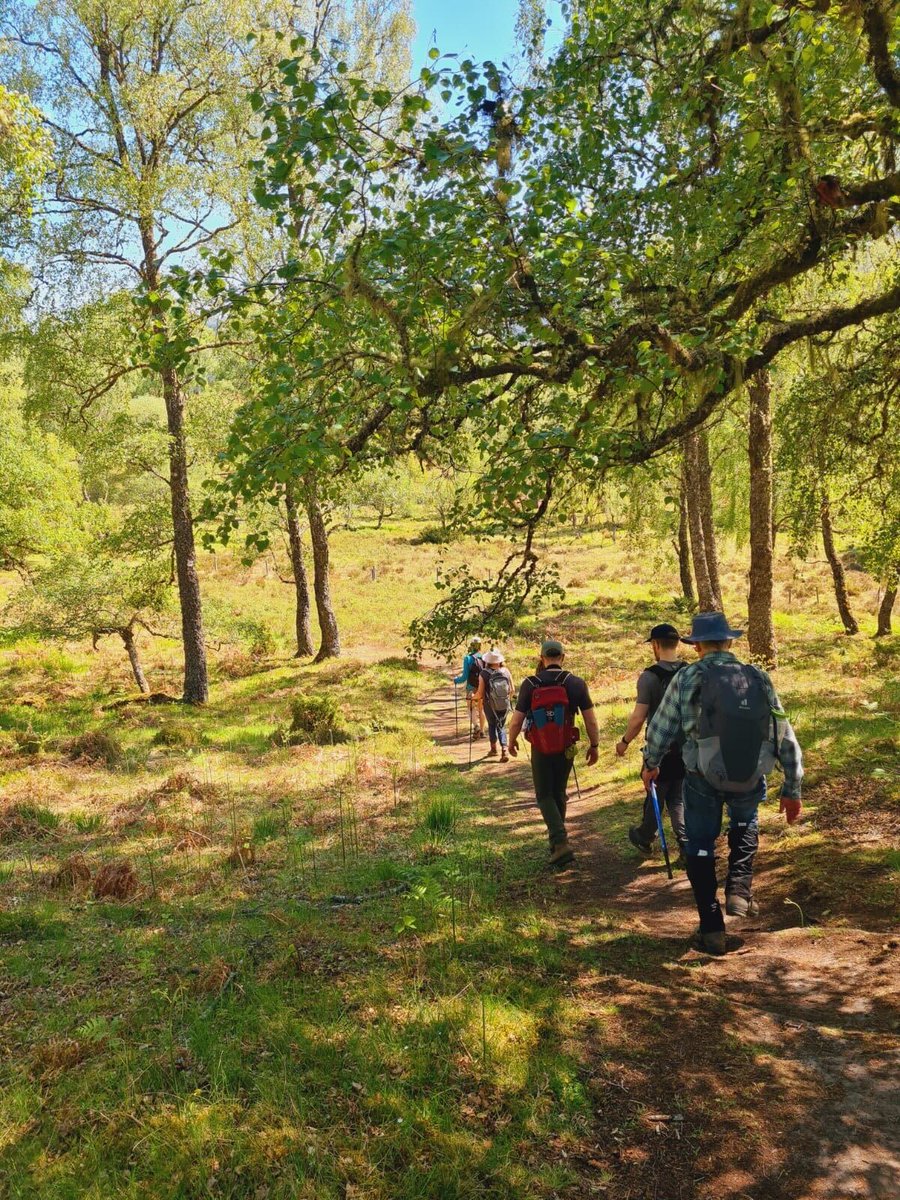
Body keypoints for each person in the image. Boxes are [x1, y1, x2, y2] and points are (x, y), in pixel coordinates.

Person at [641, 612, 803, 956]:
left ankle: (712, 925)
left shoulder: (687, 677)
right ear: (729, 642)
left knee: (700, 843)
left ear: (696, 644)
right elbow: (782, 732)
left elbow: (662, 727)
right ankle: (739, 891)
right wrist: (792, 785)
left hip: (702, 775)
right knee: (745, 824)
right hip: (749, 772)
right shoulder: (757, 677)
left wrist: (650, 764)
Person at [508, 638, 600, 867]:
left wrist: (511, 742)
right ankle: (557, 845)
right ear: (562, 657)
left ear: (542, 658)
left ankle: (560, 843)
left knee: (544, 795)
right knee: (559, 792)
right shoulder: (575, 683)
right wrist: (594, 745)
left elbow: (516, 720)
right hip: (566, 746)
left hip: (540, 747)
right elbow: (590, 720)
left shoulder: (530, 683)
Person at [616, 623, 687, 862]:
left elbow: (638, 718)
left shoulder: (649, 677)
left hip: (659, 747)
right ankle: (685, 844)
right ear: (678, 644)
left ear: (655, 645)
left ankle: (645, 836)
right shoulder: (689, 673)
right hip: (687, 747)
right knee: (678, 796)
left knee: (655, 790)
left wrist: (625, 741)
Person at [474, 649, 514, 762]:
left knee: (492, 724)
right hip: (504, 704)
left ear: (487, 661)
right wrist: (505, 699)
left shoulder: (484, 674)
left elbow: (480, 693)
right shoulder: (506, 671)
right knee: (501, 725)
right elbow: (512, 690)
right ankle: (505, 750)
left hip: (489, 704)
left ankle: (494, 749)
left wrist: (473, 698)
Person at [454, 637, 485, 739]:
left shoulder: (467, 658)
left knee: (471, 708)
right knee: (481, 709)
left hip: (470, 687)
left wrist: (456, 680)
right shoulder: (484, 658)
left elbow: (464, 677)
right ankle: (482, 731)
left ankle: (476, 726)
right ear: (480, 646)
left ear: (471, 646)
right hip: (481, 687)